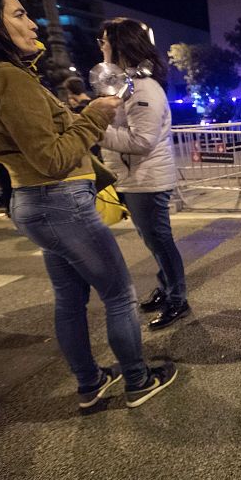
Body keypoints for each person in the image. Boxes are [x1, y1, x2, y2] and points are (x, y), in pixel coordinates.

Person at [0, 0, 176, 408]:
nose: (33, 24)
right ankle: (137, 380)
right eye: (19, 14)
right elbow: (51, 159)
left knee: (69, 299)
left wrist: (80, 117)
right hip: (60, 202)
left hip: (35, 203)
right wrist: (94, 115)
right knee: (118, 294)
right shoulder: (5, 77)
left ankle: (90, 384)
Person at [95, 18, 189, 330]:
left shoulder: (143, 89)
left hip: (147, 180)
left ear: (121, 45)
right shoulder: (130, 85)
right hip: (135, 179)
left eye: (106, 41)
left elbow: (142, 141)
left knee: (160, 242)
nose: (102, 46)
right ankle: (168, 289)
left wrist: (96, 130)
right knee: (153, 241)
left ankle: (178, 299)